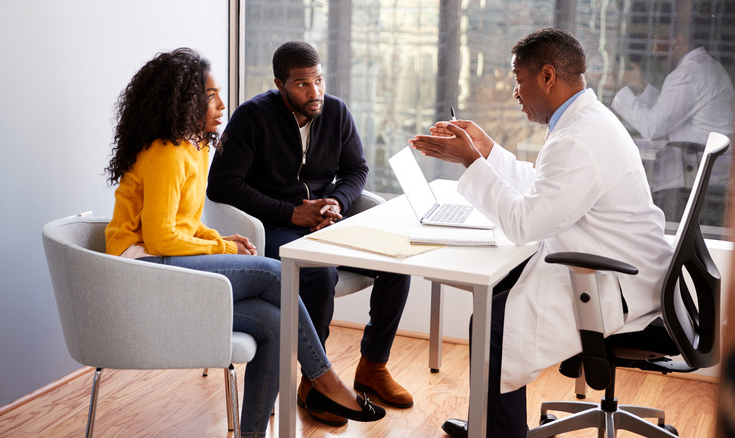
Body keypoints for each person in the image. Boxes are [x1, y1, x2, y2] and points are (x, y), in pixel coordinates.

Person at [103, 48, 385, 438]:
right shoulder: (165, 154)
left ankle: (251, 433)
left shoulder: (194, 147)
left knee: (273, 323)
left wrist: (218, 237)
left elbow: (182, 224)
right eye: (210, 96)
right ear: (183, 101)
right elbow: (159, 237)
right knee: (274, 274)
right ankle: (325, 379)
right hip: (142, 271)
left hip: (166, 262)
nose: (222, 105)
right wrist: (222, 249)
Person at [409, 28, 674, 438]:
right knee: (499, 294)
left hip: (616, 283)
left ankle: (500, 433)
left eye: (519, 78)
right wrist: (488, 151)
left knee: (493, 321)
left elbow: (525, 224)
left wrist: (471, 163)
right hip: (621, 267)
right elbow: (544, 187)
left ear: (547, 76)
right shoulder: (586, 121)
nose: (514, 91)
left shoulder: (580, 138)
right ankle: (492, 424)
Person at [207, 41, 414, 425]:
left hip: (326, 217)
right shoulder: (252, 117)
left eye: (318, 80)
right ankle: (314, 382)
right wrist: (292, 212)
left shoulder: (335, 111)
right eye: (302, 84)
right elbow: (221, 186)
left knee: (397, 261)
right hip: (273, 225)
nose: (314, 92)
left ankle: (373, 367)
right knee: (318, 272)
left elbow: (356, 169)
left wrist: (335, 202)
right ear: (279, 84)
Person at [612, 30, 734, 220]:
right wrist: (642, 85)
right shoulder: (704, 66)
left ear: (679, 39)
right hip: (705, 163)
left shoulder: (687, 74)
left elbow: (653, 127)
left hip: (695, 169)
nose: (654, 50)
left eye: (658, 39)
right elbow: (670, 112)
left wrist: (620, 91)